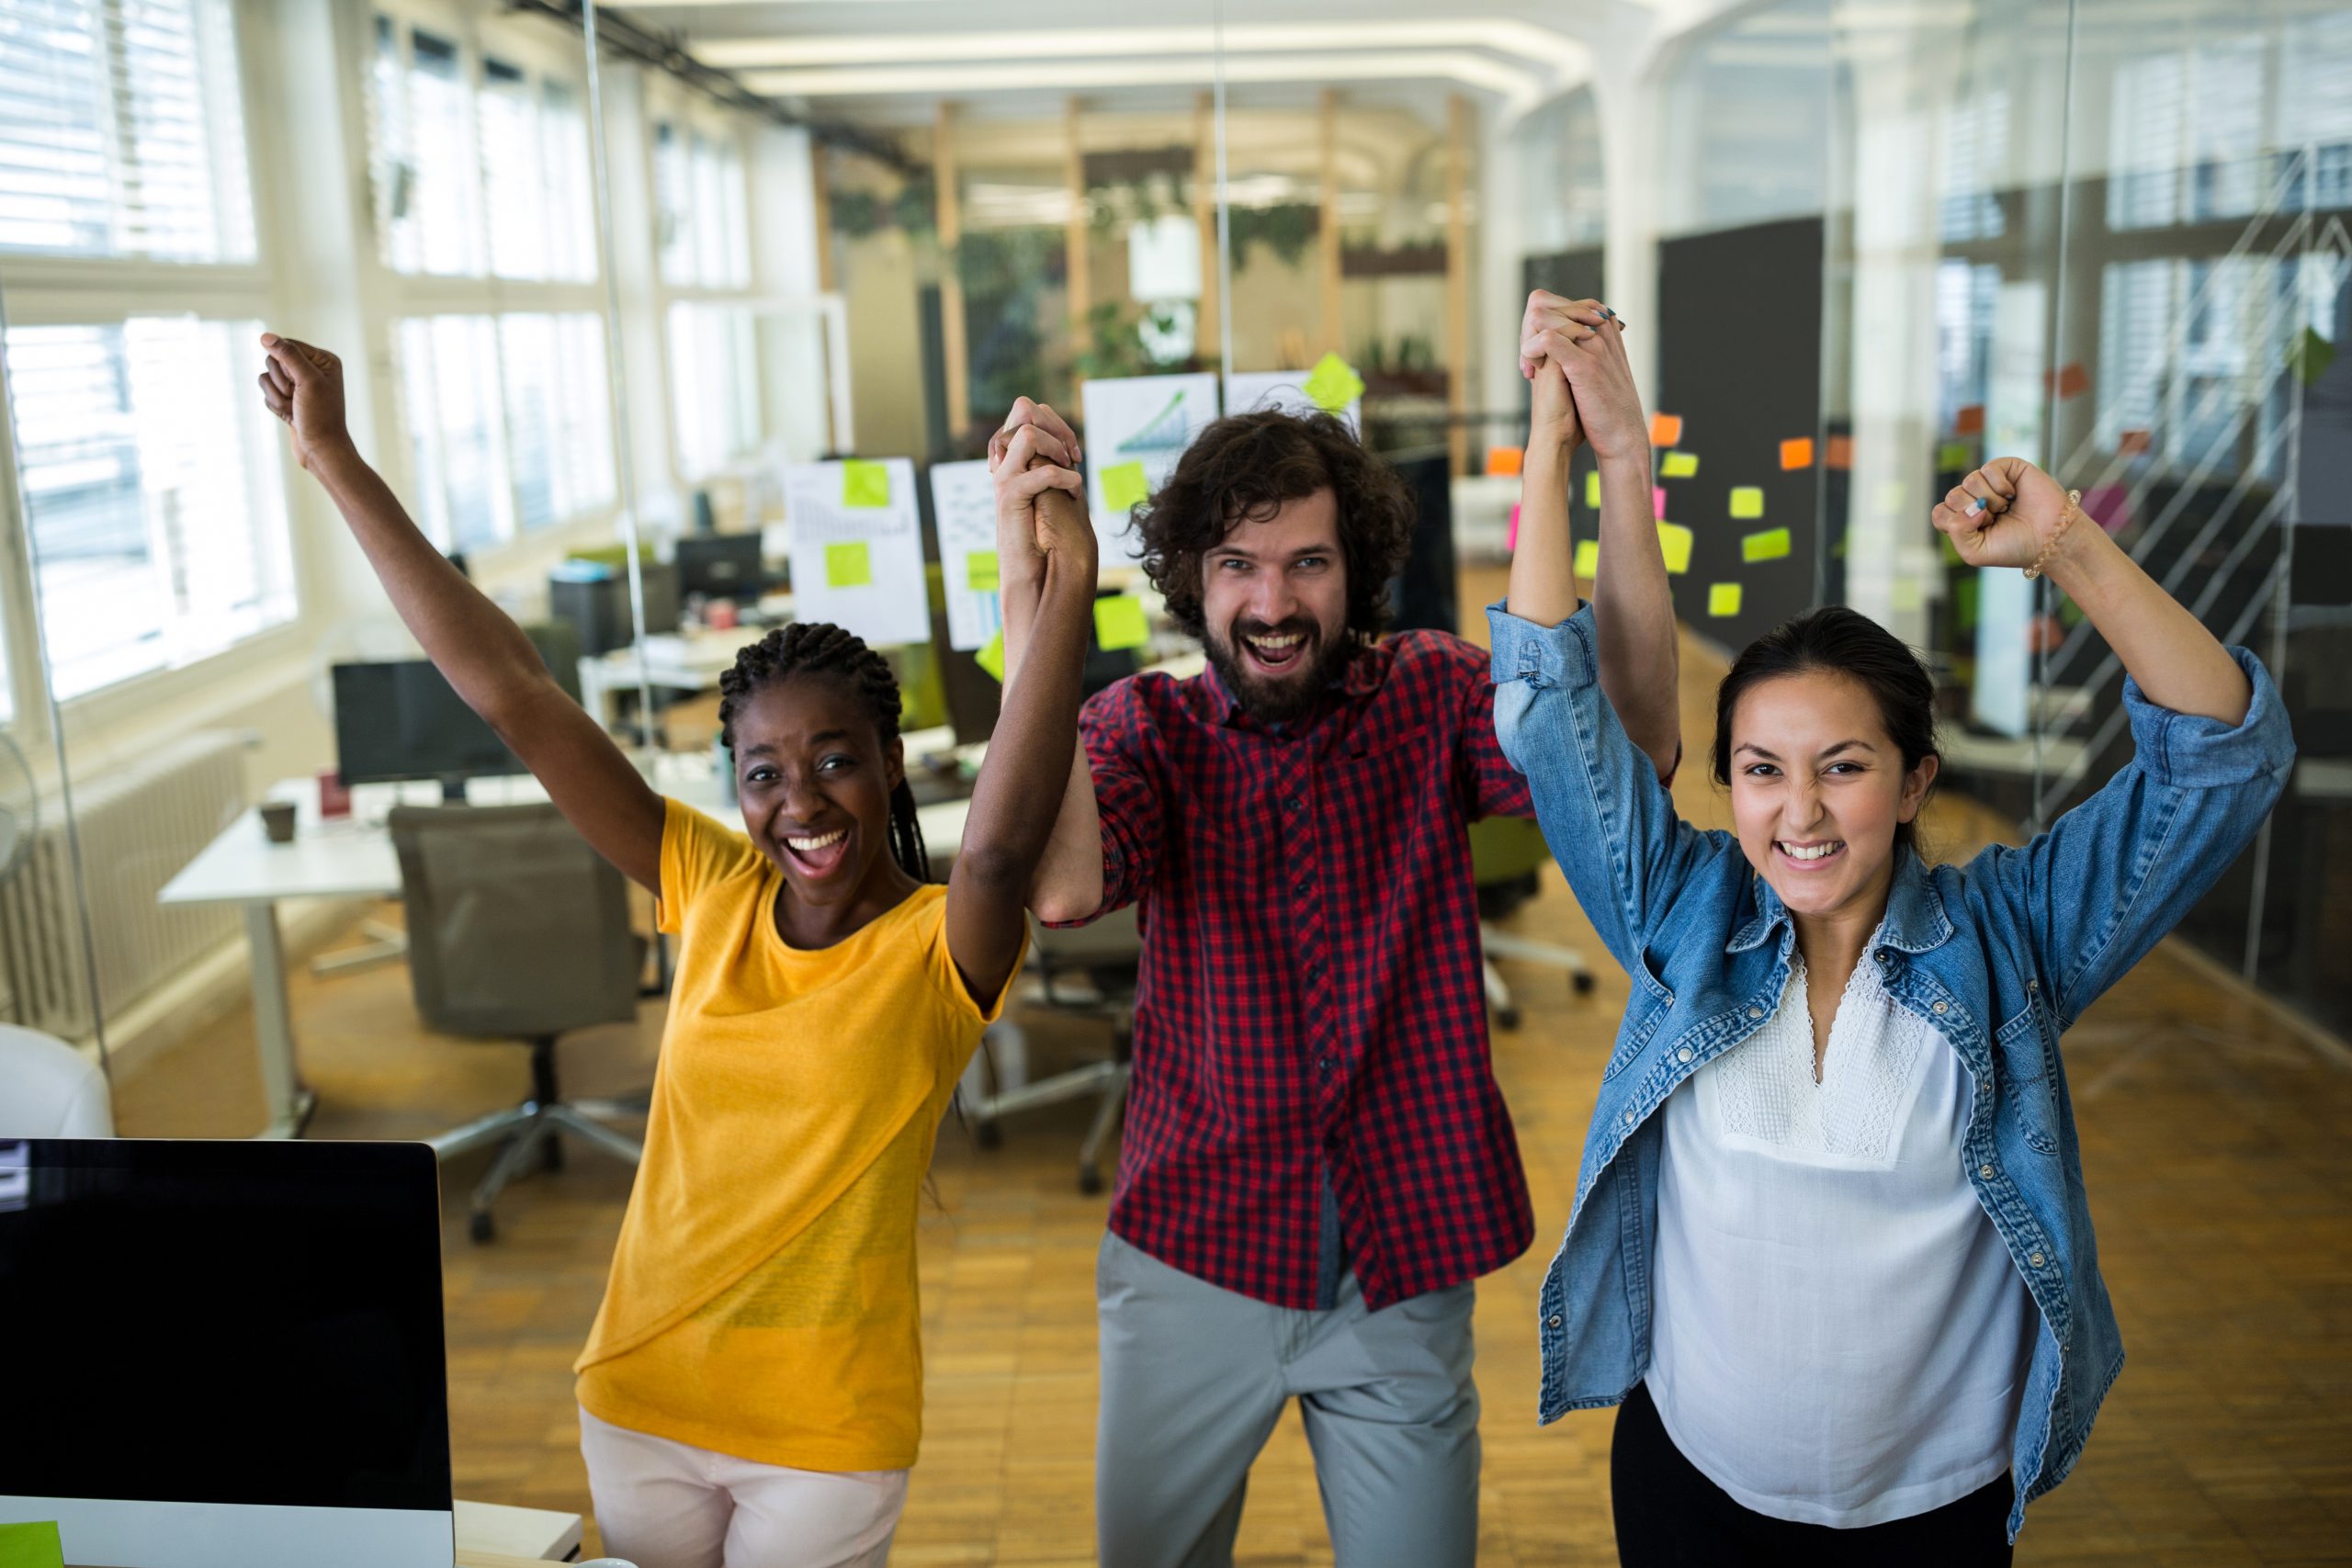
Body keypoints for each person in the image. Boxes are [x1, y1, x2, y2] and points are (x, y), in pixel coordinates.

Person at [255, 332, 1101, 1568]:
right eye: (765, 772)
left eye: (834, 761)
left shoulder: (940, 951)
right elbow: (515, 695)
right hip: (641, 1396)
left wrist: (1062, 584)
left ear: (888, 764)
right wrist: (333, 457)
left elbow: (994, 851)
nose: (800, 802)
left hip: (825, 1431)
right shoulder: (709, 882)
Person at [1489, 308, 2295, 1562]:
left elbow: (2225, 761)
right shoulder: (1682, 912)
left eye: (1844, 767)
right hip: (1688, 1480)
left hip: (1935, 1508)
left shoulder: (2007, 939)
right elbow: (1547, 705)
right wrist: (1558, 437)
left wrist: (2069, 547)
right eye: (1760, 770)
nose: (1798, 812)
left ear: (1917, 782)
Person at [986, 292, 1681, 1568]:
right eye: (1239, 566)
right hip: (1194, 1253)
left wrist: (1607, 458)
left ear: (1355, 569)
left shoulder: (1426, 693)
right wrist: (1033, 584)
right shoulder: (1147, 729)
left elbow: (1625, 746)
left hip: (1402, 1254)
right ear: (1192, 579)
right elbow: (1065, 883)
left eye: (1308, 562)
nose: (1273, 602)